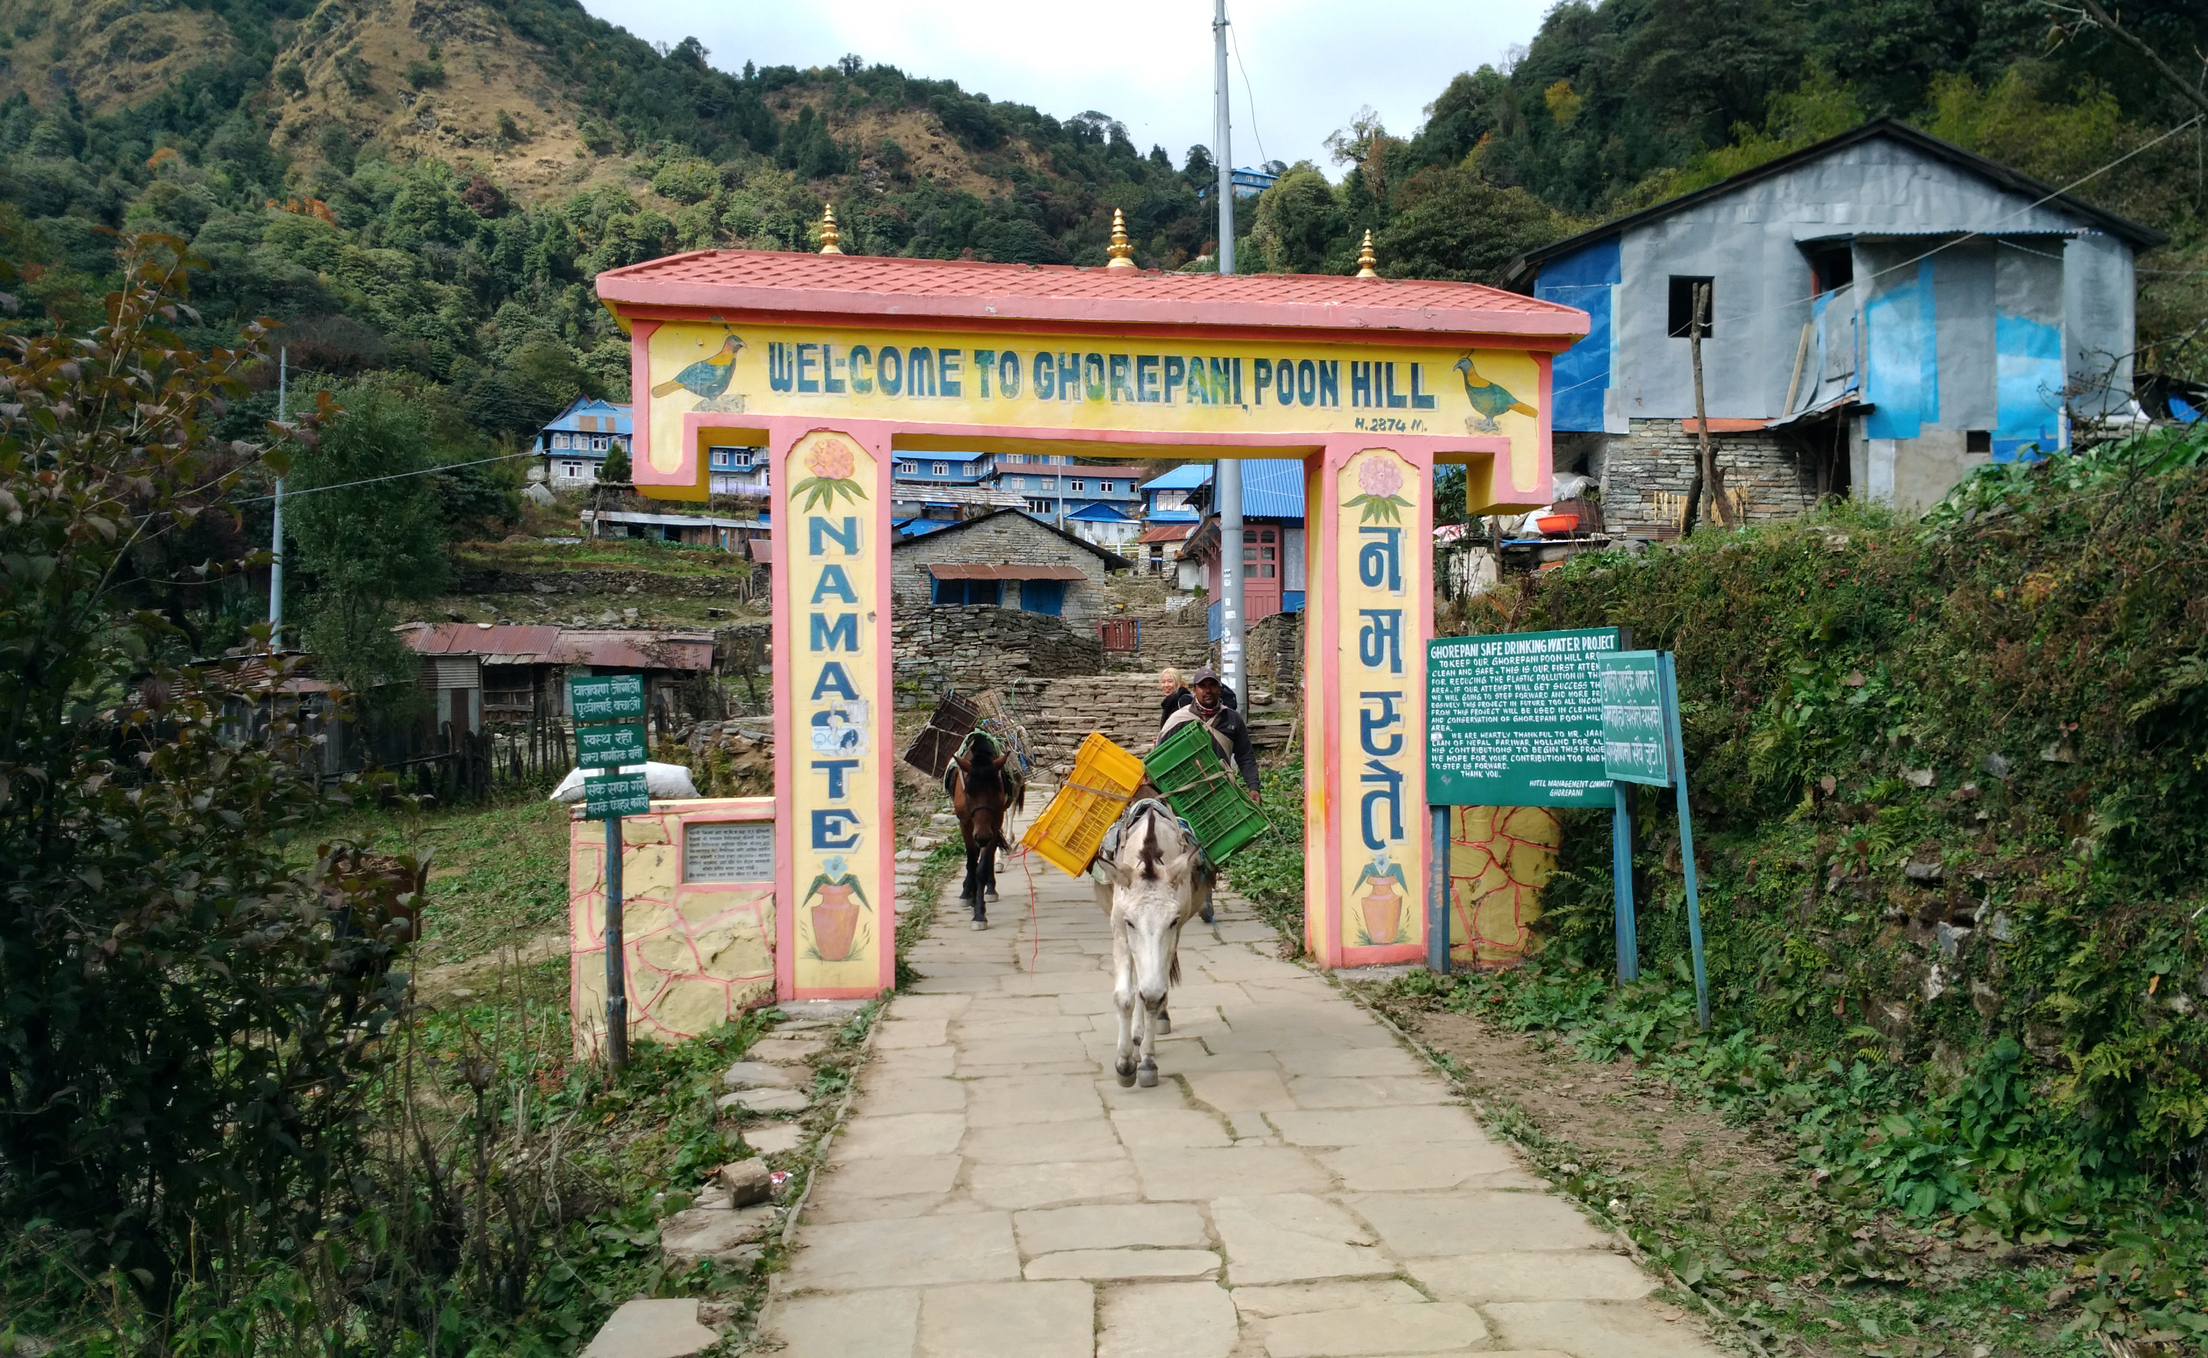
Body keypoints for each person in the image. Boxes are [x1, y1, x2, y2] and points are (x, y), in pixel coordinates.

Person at [1184, 667, 1259, 792]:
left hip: (1223, 789)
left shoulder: (1232, 718)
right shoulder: (1181, 719)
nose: (1208, 690)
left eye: (1212, 685)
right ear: (1194, 690)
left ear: (1219, 688)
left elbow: (1245, 756)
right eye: (1202, 686)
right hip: (1188, 789)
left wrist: (1253, 787)